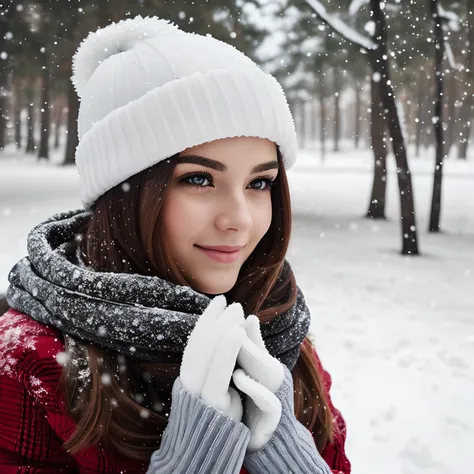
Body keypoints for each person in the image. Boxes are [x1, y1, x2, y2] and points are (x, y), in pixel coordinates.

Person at [0, 15, 351, 474]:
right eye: (200, 179)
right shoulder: (30, 363)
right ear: (124, 194)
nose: (240, 220)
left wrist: (290, 457)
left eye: (260, 183)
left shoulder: (275, 331)